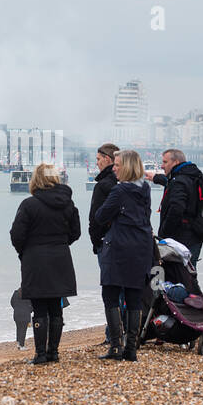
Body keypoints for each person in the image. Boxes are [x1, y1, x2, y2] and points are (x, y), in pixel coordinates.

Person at [10, 164, 81, 365]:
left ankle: (40, 354)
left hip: (35, 259)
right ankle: (54, 353)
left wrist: (25, 251)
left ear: (36, 179)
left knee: (40, 308)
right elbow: (76, 232)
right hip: (60, 256)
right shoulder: (68, 204)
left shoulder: (29, 204)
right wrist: (60, 243)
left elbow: (16, 235)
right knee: (56, 308)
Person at [93, 150, 156, 362]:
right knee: (134, 296)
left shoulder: (119, 191)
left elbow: (100, 216)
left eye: (118, 165)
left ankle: (116, 346)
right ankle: (131, 348)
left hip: (119, 246)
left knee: (110, 294)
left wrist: (113, 218)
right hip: (141, 247)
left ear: (127, 167)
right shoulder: (145, 188)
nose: (114, 168)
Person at [146, 148, 203, 265]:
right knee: (189, 274)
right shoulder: (191, 176)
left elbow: (176, 209)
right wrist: (156, 178)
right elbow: (174, 185)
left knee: (181, 276)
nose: (162, 166)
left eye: (165, 162)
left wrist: (164, 235)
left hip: (181, 239)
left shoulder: (179, 181)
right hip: (194, 237)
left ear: (176, 163)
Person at [87, 142, 121, 350]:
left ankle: (113, 335)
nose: (96, 163)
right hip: (125, 242)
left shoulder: (104, 185)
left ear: (108, 159)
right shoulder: (126, 183)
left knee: (111, 289)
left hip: (107, 242)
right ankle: (122, 332)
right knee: (124, 289)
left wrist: (96, 240)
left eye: (98, 159)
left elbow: (97, 217)